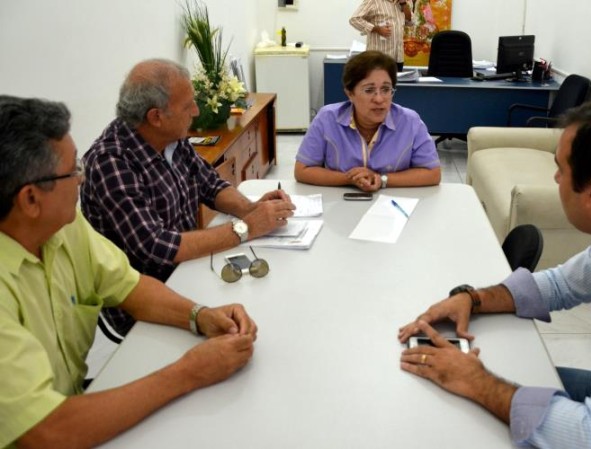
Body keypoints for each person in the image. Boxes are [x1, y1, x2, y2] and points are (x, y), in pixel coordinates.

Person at [398, 98, 591, 448]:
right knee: (488, 375)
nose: (555, 177)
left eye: (560, 169)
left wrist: (478, 383)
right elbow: (561, 285)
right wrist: (473, 298)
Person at [0, 95, 258, 449]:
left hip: (71, 404)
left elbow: (130, 287)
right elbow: (47, 431)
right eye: (73, 170)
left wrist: (201, 315)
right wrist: (190, 372)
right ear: (30, 199)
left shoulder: (63, 226)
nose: (82, 179)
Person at [80, 59, 295, 336]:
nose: (195, 111)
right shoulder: (110, 163)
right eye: (187, 106)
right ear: (156, 116)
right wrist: (248, 227)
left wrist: (251, 208)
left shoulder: (170, 135)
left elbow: (210, 184)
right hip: (149, 301)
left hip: (189, 269)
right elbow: (157, 246)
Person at [295, 51, 440, 192]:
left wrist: (381, 179)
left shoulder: (410, 122)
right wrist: (349, 179)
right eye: (369, 90)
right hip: (340, 204)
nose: (379, 99)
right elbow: (302, 170)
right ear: (350, 93)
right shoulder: (327, 119)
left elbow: (433, 173)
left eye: (385, 89)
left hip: (394, 206)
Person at [350, 0, 412, 72]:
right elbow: (354, 19)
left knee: (395, 83)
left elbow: (411, 22)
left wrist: (403, 4)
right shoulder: (373, 1)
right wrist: (377, 29)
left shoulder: (403, 3)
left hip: (398, 58)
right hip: (378, 58)